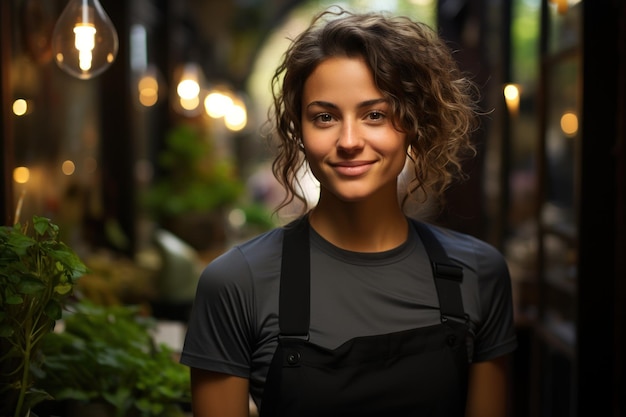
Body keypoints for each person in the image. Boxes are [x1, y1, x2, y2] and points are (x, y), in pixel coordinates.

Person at [180, 7, 517, 417]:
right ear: (299, 132)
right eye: (325, 117)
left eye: (375, 115)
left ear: (413, 124)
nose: (349, 140)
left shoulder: (479, 274)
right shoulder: (236, 284)